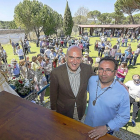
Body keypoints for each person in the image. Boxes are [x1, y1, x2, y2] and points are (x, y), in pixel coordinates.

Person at [84, 56, 130, 139]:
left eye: (108, 70)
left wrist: (106, 128)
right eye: (101, 69)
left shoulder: (122, 92)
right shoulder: (91, 80)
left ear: (115, 72)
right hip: (87, 125)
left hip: (105, 132)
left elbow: (124, 116)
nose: (103, 73)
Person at [50, 45, 94, 121]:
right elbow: (53, 94)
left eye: (78, 58)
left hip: (80, 110)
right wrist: (54, 111)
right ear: (66, 57)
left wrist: (114, 83)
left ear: (81, 58)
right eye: (71, 57)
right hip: (63, 111)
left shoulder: (88, 69)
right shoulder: (56, 73)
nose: (75, 61)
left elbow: (98, 82)